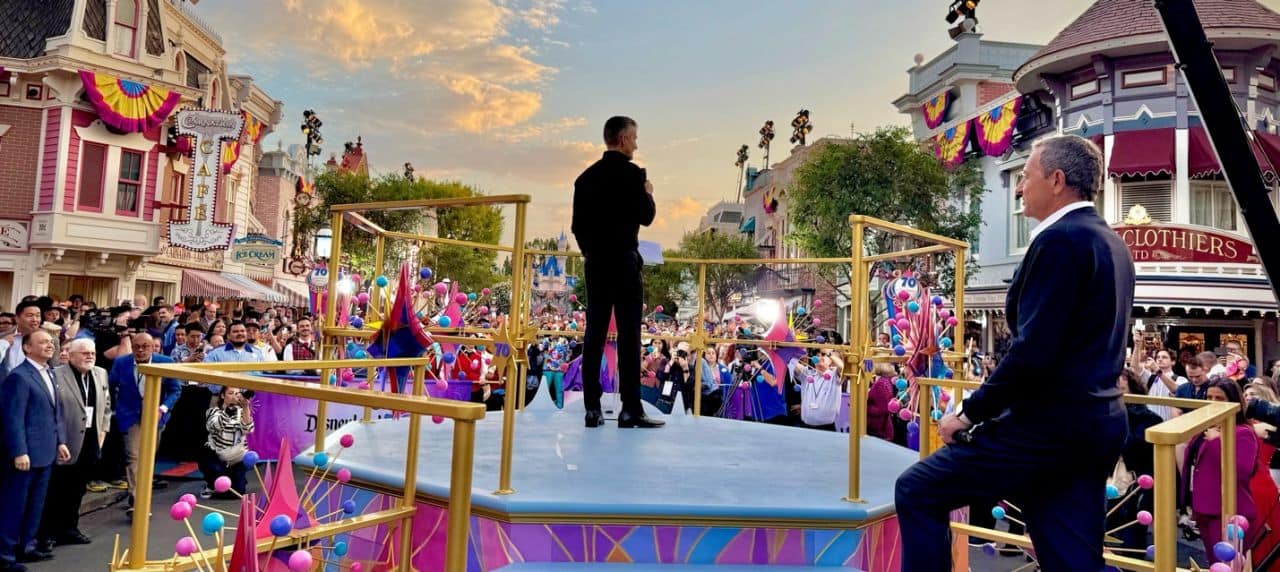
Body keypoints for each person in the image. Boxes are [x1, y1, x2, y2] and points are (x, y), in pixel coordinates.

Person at [894, 135, 1134, 571]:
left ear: (1057, 180)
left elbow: (1034, 353)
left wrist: (968, 413)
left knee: (918, 489)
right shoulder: (1111, 243)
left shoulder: (1060, 241)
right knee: (1072, 561)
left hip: (1045, 430)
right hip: (1095, 424)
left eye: (1025, 177)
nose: (1020, 188)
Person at [571, 116, 662, 429]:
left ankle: (592, 409)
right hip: (624, 261)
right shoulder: (633, 175)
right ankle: (630, 409)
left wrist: (592, 253)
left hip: (596, 263)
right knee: (628, 334)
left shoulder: (584, 179)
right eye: (634, 138)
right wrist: (647, 191)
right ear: (623, 139)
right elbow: (647, 217)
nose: (636, 144)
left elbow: (576, 226)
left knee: (594, 333)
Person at [0, 330, 70, 570]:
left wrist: (61, 441)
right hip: (25, 454)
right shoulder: (18, 377)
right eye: (43, 342)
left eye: (51, 342)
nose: (49, 346)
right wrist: (19, 451)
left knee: (35, 504)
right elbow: (13, 418)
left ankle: (27, 547)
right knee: (14, 505)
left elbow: (54, 412)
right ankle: (5, 555)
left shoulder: (49, 373)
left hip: (46, 451)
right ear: (27, 348)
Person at [37, 338, 110, 551]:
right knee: (56, 489)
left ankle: (70, 528)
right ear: (71, 355)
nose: (89, 356)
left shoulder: (100, 374)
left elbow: (106, 406)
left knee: (78, 489)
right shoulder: (56, 375)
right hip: (64, 441)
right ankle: (47, 533)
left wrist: (102, 433)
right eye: (84, 353)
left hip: (90, 440)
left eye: (93, 353)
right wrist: (57, 440)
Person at [1181, 378, 1261, 561]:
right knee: (1213, 562)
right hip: (1203, 508)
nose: (1213, 402)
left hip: (1228, 511)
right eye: (1209, 397)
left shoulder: (1243, 432)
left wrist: (1218, 441)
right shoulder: (1205, 427)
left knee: (1228, 564)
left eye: (1220, 398)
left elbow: (1242, 471)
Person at [108, 333, 180, 515]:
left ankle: (140, 494)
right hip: (130, 416)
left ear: (153, 347)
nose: (140, 350)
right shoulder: (121, 363)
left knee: (147, 457)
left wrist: (162, 408)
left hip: (155, 416)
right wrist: (115, 409)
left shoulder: (165, 362)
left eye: (145, 347)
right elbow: (110, 386)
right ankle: (137, 500)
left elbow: (175, 390)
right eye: (136, 347)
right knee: (134, 456)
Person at [198, 386, 254, 499]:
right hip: (217, 456)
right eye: (231, 393)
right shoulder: (213, 411)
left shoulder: (242, 412)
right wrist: (227, 411)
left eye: (237, 393)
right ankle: (211, 484)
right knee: (217, 475)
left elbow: (248, 429)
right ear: (223, 395)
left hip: (235, 459)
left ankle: (236, 478)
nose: (235, 396)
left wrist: (246, 407)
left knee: (236, 493)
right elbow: (215, 426)